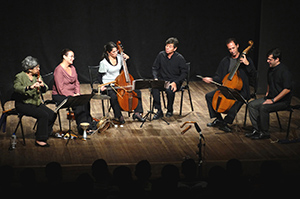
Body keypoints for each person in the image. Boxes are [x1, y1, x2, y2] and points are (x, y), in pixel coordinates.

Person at [202, 38, 256, 132]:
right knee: (209, 96)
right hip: (227, 87)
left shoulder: (245, 59)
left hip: (241, 89)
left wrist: (247, 64)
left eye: (233, 48)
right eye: (230, 49)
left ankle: (226, 122)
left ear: (237, 46)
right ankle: (218, 119)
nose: (232, 51)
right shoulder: (226, 61)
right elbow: (219, 76)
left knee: (239, 99)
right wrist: (212, 79)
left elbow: (254, 75)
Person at [246, 48, 292, 139]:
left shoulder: (284, 71)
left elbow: (287, 89)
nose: (267, 61)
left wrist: (273, 100)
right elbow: (269, 82)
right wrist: (267, 93)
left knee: (263, 108)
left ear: (277, 59)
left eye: (270, 59)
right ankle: (257, 130)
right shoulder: (271, 69)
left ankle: (265, 133)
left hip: (282, 102)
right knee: (251, 105)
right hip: (270, 97)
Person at [14, 56, 57, 147]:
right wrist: (30, 87)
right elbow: (17, 88)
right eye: (36, 67)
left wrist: (42, 85)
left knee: (52, 114)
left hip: (35, 103)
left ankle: (45, 132)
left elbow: (45, 88)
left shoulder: (37, 76)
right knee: (43, 115)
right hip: (23, 104)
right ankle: (40, 139)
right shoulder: (20, 76)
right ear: (29, 69)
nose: (39, 69)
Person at [52, 48, 97, 134]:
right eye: (71, 56)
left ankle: (88, 125)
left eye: (73, 57)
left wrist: (77, 93)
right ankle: (82, 129)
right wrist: (73, 96)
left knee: (85, 101)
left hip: (72, 94)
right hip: (60, 95)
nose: (73, 58)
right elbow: (60, 89)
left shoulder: (72, 68)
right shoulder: (58, 70)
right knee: (78, 103)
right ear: (64, 57)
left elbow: (77, 82)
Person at [98, 41, 145, 124]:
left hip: (119, 83)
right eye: (113, 52)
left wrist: (127, 59)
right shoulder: (104, 62)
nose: (116, 53)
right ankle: (119, 116)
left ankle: (137, 113)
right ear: (108, 52)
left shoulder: (119, 57)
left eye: (117, 51)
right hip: (109, 85)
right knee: (113, 96)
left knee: (137, 92)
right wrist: (102, 86)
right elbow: (99, 76)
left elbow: (127, 67)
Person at [152, 37, 188, 119]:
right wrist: (155, 78)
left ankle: (169, 109)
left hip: (175, 81)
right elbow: (155, 67)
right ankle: (159, 110)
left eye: (170, 46)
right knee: (154, 89)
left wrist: (176, 82)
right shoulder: (161, 55)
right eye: (166, 46)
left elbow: (184, 73)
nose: (167, 48)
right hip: (163, 80)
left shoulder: (179, 58)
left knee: (169, 90)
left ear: (175, 48)